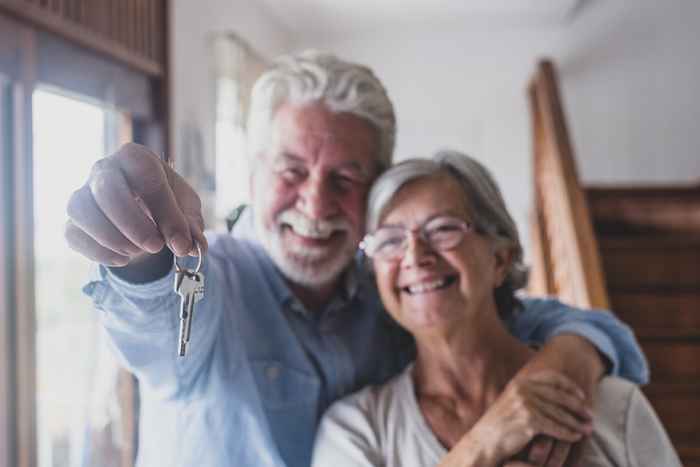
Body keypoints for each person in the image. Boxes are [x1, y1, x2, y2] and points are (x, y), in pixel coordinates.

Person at [66, 52, 648, 467]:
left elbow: (527, 316)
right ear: (254, 173)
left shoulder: (398, 288)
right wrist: (140, 259)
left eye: (345, 177)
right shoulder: (212, 278)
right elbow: (156, 322)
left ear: (375, 192)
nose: (316, 202)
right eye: (292, 171)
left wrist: (571, 360)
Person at [312, 151, 679, 467]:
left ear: (501, 258)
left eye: (442, 229)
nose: (415, 256)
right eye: (391, 240)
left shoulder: (614, 404)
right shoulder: (357, 429)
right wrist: (482, 445)